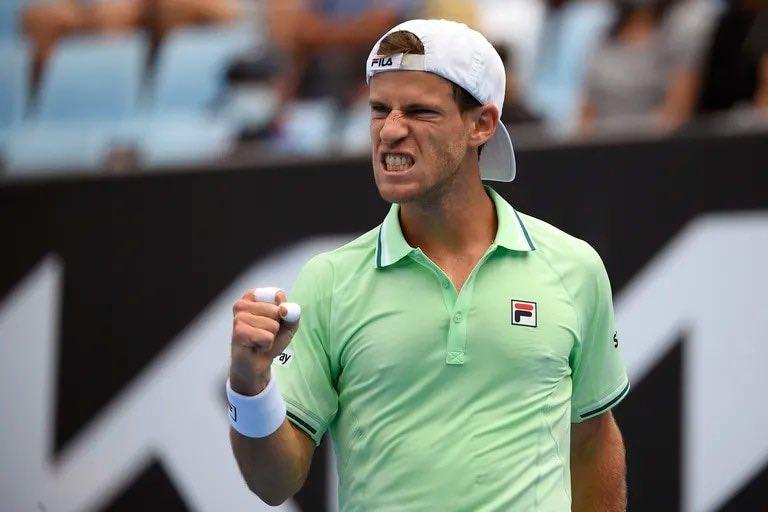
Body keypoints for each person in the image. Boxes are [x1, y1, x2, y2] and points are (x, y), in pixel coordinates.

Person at [227, 19, 630, 511]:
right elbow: (273, 484)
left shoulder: (574, 267)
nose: (391, 130)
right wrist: (250, 387)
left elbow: (592, 442)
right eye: (379, 109)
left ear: (482, 124)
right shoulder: (328, 281)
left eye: (420, 111)